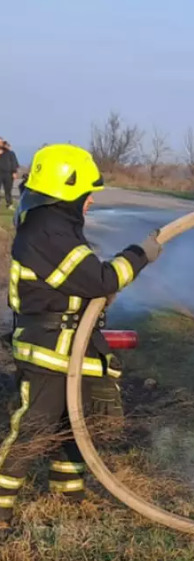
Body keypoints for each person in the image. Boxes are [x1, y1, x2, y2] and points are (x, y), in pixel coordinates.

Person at [0, 144, 162, 532]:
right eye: (86, 193)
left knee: (74, 422)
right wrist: (139, 254)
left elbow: (82, 283)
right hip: (48, 345)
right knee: (36, 425)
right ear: (66, 191)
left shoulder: (53, 225)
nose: (90, 200)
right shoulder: (47, 231)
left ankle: (68, 491)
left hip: (69, 342)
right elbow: (101, 280)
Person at [0, 138, 19, 209]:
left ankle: (9, 203)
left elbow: (14, 162)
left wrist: (14, 172)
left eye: (1, 142)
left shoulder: (10, 153)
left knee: (8, 189)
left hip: (8, 173)